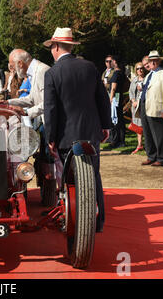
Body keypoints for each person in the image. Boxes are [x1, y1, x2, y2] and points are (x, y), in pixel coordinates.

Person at [42, 27, 111, 233]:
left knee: (68, 181)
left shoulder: (52, 73)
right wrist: (105, 125)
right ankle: (97, 222)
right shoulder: (89, 67)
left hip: (65, 136)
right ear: (70, 46)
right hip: (91, 132)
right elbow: (102, 99)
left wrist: (51, 137)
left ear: (55, 46)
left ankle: (72, 219)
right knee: (94, 176)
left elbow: (51, 109)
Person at [140, 50, 163, 166]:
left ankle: (161, 158)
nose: (152, 62)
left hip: (157, 108)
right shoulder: (149, 75)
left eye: (155, 60)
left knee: (159, 134)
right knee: (148, 133)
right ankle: (151, 156)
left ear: (158, 61)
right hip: (145, 106)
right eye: (151, 60)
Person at [128, 62, 147, 154]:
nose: (140, 70)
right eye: (138, 69)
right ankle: (139, 145)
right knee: (137, 125)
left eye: (141, 68)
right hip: (135, 106)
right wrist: (133, 101)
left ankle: (147, 145)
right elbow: (131, 92)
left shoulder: (147, 79)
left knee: (145, 125)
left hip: (145, 105)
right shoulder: (134, 80)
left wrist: (142, 89)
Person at [107, 55, 126, 148]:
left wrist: (110, 98)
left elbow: (113, 88)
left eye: (112, 61)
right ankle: (121, 140)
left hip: (115, 98)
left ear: (115, 62)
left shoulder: (116, 73)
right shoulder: (122, 73)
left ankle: (116, 140)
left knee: (115, 119)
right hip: (119, 97)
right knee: (120, 118)